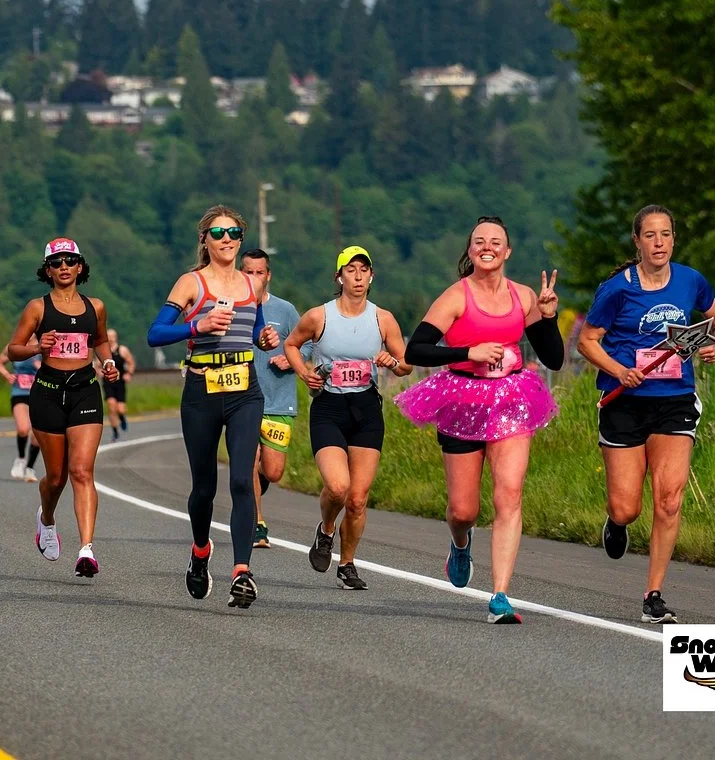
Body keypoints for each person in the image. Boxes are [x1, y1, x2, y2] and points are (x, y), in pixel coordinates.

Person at [395, 217, 563, 623]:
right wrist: (466, 352)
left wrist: (548, 317)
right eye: (479, 241)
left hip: (511, 398)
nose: (487, 247)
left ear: (507, 252)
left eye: (496, 242)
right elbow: (416, 350)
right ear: (470, 250)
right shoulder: (456, 296)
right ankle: (460, 541)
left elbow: (554, 358)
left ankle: (500, 595)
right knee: (463, 510)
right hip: (462, 399)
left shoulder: (523, 297)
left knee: (509, 494)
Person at [577, 205, 715, 623]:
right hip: (625, 401)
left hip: (674, 400)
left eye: (665, 235)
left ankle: (653, 595)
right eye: (650, 235)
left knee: (669, 499)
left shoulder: (689, 280)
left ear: (673, 239)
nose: (659, 242)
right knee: (627, 507)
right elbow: (588, 341)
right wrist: (619, 371)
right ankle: (616, 523)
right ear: (638, 241)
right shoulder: (616, 289)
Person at [147, 205, 280, 608]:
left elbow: (254, 331)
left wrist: (265, 338)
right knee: (203, 488)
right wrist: (196, 326)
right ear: (204, 239)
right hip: (202, 390)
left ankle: (242, 572)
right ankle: (201, 552)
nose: (227, 239)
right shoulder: (191, 283)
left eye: (234, 232)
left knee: (243, 479)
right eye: (218, 232)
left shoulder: (249, 285)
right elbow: (155, 334)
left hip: (244, 390)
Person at [283, 246, 412, 590]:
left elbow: (405, 364)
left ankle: (347, 564)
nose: (357, 277)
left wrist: (391, 364)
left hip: (366, 410)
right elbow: (291, 345)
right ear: (338, 277)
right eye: (350, 270)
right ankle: (326, 530)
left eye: (363, 270)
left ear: (371, 277)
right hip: (329, 409)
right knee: (338, 488)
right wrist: (304, 373)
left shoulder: (382, 319)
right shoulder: (319, 316)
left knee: (357, 498)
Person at [6, 238, 120, 577]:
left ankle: (86, 549)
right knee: (55, 478)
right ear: (48, 270)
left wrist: (108, 360)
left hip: (85, 391)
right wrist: (36, 347)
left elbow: (99, 339)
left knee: (82, 471)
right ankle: (47, 519)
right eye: (57, 262)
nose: (64, 267)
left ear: (80, 266)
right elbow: (13, 349)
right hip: (48, 393)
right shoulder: (37, 308)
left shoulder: (95, 306)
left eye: (70, 260)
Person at [239, 248, 309, 549]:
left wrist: (290, 359)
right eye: (248, 272)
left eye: (259, 272)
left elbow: (307, 346)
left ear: (268, 275)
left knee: (274, 471)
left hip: (279, 401)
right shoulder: (234, 308)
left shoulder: (286, 310)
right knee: (248, 458)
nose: (254, 277)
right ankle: (258, 524)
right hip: (242, 399)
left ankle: (259, 478)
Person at [0, 341, 42, 482]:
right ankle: (21, 459)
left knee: (37, 434)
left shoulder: (43, 343)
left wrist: (40, 367)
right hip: (19, 392)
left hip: (39, 394)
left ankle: (30, 468)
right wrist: (6, 374)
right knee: (23, 429)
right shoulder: (15, 344)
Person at [101, 329, 135, 442]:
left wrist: (129, 374)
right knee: (111, 406)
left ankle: (122, 417)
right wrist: (98, 371)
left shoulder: (122, 350)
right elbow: (96, 364)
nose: (110, 339)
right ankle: (115, 432)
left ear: (116, 337)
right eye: (108, 336)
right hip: (107, 382)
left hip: (120, 382)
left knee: (120, 409)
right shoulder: (103, 350)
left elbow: (131, 362)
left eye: (112, 336)